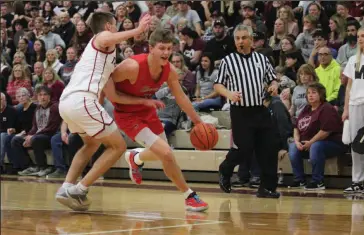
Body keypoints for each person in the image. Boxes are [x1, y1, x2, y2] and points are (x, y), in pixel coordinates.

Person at [103, 28, 209, 212]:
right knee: (167, 154)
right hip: (127, 115)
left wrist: (198, 121)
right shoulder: (131, 66)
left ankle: (136, 158)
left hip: (147, 110)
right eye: (162, 48)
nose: (167, 52)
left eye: (169, 48)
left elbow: (181, 98)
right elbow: (105, 82)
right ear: (151, 48)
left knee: (161, 153)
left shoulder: (169, 70)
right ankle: (189, 196)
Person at [55, 12, 152, 211]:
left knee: (91, 144)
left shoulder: (102, 59)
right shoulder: (101, 38)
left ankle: (66, 187)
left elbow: (113, 96)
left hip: (68, 103)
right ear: (108, 26)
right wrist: (139, 30)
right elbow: (107, 37)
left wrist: (143, 101)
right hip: (82, 100)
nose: (116, 29)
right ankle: (79, 189)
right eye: (115, 25)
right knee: (118, 147)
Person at [214, 24, 280, 198]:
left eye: (244, 38)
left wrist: (273, 87)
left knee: (268, 149)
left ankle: (267, 187)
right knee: (244, 149)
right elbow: (218, 84)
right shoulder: (228, 61)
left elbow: (273, 79)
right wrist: (228, 93)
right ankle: (225, 169)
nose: (241, 41)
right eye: (237, 38)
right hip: (240, 112)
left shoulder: (261, 59)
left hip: (260, 109)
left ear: (251, 40)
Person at [342, 26, 364, 194]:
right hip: (354, 103)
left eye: (363, 36)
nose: (359, 39)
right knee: (356, 143)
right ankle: (357, 180)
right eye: (358, 36)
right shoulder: (353, 60)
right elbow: (348, 87)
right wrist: (345, 109)